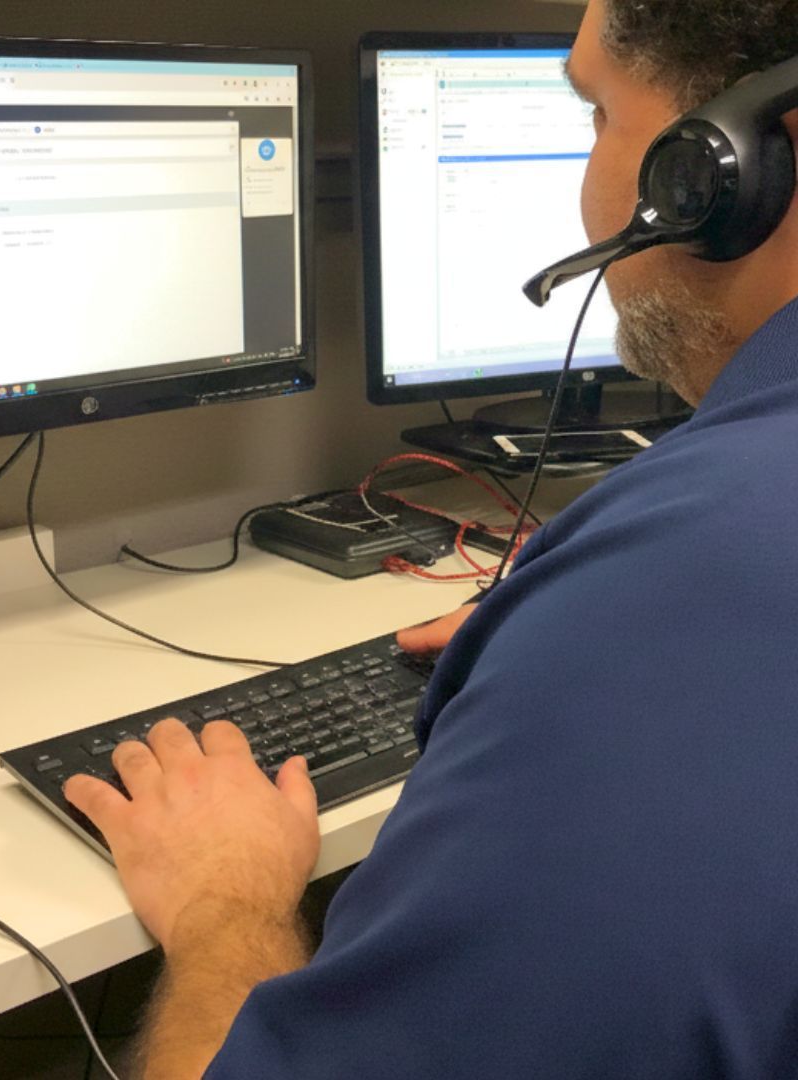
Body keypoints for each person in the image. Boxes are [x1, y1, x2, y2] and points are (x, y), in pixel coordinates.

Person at [66, 0, 798, 1074]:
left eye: (597, 112)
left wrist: (225, 902)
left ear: (729, 167)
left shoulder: (685, 588)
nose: (590, 184)